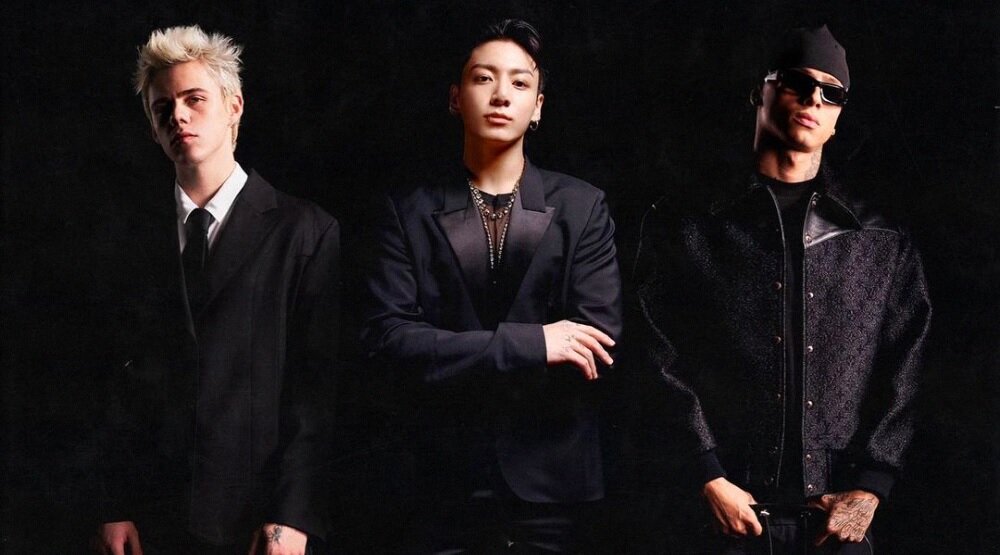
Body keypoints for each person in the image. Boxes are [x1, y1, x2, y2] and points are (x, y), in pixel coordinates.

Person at [635, 25, 930, 553]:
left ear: (838, 119)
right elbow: (654, 350)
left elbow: (910, 365)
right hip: (723, 516)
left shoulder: (880, 239)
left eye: (832, 93)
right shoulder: (686, 224)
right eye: (797, 82)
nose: (814, 99)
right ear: (761, 91)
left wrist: (872, 486)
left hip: (836, 524)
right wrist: (706, 473)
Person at [361, 19, 623, 553]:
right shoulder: (406, 210)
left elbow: (595, 345)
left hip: (554, 492)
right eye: (484, 78)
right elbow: (389, 341)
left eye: (520, 83)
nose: (502, 94)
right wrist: (535, 343)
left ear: (538, 106)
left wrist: (452, 353)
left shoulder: (582, 207)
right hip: (437, 489)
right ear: (455, 98)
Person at [94, 25, 339, 555]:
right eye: (163, 107)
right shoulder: (133, 237)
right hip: (154, 519)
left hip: (256, 521)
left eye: (194, 99)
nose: (178, 116)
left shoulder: (305, 231)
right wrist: (115, 504)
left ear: (234, 106)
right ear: (152, 128)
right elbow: (113, 381)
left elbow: (316, 388)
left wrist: (290, 515)